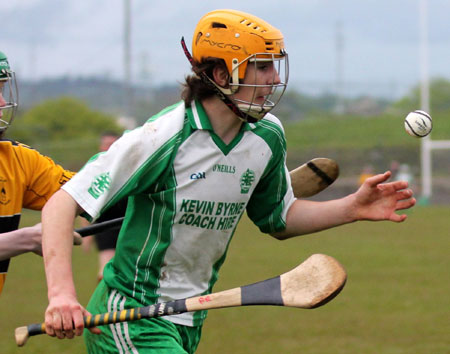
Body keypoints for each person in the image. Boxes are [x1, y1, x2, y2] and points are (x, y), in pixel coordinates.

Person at [41, 9, 415, 353]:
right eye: (262, 67)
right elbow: (62, 202)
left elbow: (279, 218)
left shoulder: (267, 135)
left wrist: (351, 207)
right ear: (222, 75)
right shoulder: (162, 138)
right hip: (133, 315)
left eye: (275, 66)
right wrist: (61, 296)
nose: (275, 79)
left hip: (189, 316)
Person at [0, 50, 80, 295]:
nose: (2, 103)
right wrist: (27, 239)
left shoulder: (16, 161)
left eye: (2, 90)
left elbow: (92, 192)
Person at [81, 132, 126, 281]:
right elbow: (84, 203)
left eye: (113, 144)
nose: (109, 148)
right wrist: (86, 236)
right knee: (104, 272)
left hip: (127, 224)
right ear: (101, 147)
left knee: (126, 270)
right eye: (107, 144)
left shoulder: (129, 167)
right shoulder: (93, 169)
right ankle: (105, 300)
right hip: (104, 226)